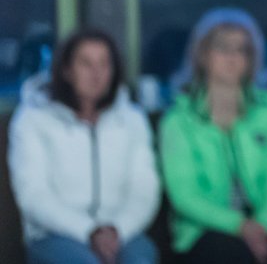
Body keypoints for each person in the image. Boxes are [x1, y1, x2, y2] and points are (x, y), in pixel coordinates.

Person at [159, 8, 267, 264]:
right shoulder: (178, 120)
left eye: (242, 49)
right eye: (222, 48)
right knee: (231, 254)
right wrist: (240, 226)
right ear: (202, 53)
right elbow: (184, 196)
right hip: (205, 230)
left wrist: (264, 226)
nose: (232, 57)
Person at [8, 28, 161, 264]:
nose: (96, 74)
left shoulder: (132, 118)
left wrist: (116, 230)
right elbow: (34, 194)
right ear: (67, 70)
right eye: (86, 64)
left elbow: (144, 189)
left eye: (104, 64)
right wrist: (89, 231)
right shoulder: (33, 119)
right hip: (54, 235)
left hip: (122, 233)